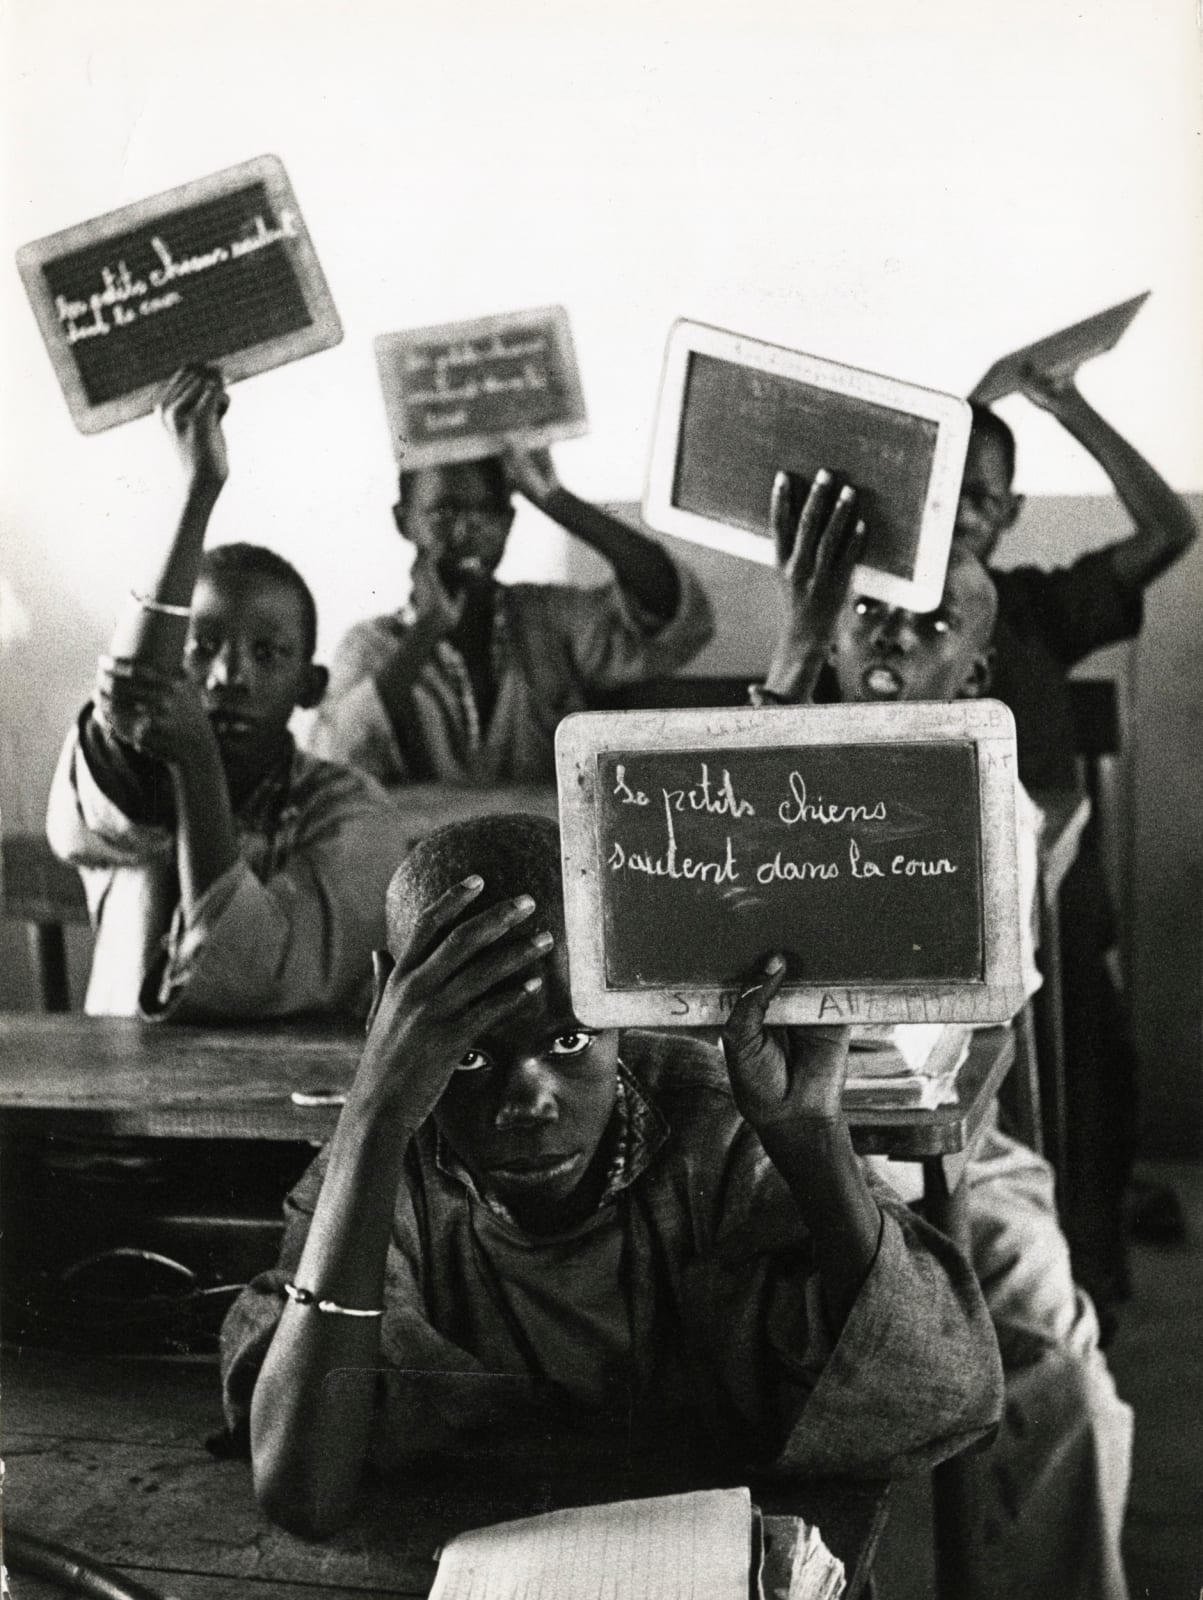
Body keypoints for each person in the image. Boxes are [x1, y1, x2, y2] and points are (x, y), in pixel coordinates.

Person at [220, 812, 1004, 1540]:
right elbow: (302, 1495)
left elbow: (943, 1397)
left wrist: (812, 1139)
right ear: (388, 1011)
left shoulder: (713, 1124)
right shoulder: (383, 1169)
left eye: (569, 1041)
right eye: (470, 1054)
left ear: (622, 999)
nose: (526, 1101)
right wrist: (372, 1116)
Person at [756, 471, 1133, 1600]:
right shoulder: (749, 761)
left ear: (974, 670)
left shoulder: (992, 800)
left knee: (1062, 1375)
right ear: (829, 637)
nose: (893, 639)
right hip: (757, 1154)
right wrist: (791, 648)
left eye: (931, 627)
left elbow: (938, 1032)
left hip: (947, 1158)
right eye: (868, 613)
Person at [46, 365, 406, 1021]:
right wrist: (197, 491)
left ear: (310, 687)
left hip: (287, 1085)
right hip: (119, 1080)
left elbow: (254, 976)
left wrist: (198, 763)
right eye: (201, 647)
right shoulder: (132, 784)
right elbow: (131, 701)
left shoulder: (351, 810)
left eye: (267, 654)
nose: (227, 677)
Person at [957, 375, 1197, 1317]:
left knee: (1091, 1090)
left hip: (1052, 933)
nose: (959, 515)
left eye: (981, 497)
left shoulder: (1032, 610)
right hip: (931, 944)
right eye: (938, 490)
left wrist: (1067, 406)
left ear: (1009, 513)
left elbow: (1167, 530)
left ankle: (1087, 1300)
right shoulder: (865, 630)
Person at [306, 445, 714, 793]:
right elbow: (333, 761)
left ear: (509, 521)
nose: (467, 532)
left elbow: (667, 612)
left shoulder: (547, 618)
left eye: (488, 512)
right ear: (404, 521)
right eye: (444, 511)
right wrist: (428, 629)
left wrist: (555, 499)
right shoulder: (370, 646)